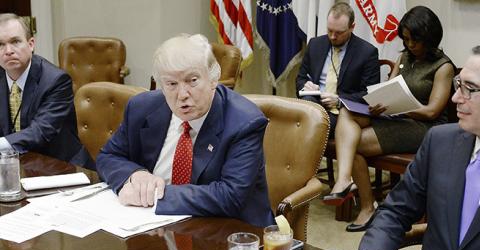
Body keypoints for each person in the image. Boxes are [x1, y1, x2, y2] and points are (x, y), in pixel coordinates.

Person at [96, 33, 275, 227]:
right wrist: (135, 175)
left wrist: (156, 194)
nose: (182, 95)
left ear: (213, 78)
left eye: (192, 81)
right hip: (152, 228)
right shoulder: (141, 108)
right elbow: (108, 156)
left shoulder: (244, 122)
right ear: (160, 85)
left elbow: (230, 196)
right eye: (171, 84)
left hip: (229, 233)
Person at [324, 6, 455, 232]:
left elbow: (433, 111)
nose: (410, 45)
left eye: (415, 40)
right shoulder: (404, 56)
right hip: (395, 117)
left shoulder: (443, 67)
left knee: (350, 144)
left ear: (429, 37)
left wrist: (399, 110)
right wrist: (377, 103)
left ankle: (367, 206)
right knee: (347, 112)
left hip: (424, 126)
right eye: (406, 39)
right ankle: (345, 180)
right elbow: (387, 89)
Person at [357, 45, 480, 250]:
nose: (455, 98)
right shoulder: (440, 141)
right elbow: (396, 210)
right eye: (459, 85)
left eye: (469, 89)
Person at [0, 13, 93, 168]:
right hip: (16, 166)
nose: (8, 50)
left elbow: (40, 132)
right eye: (0, 44)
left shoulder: (56, 80)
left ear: (31, 44)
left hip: (60, 167)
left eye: (15, 41)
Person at [296, 2, 380, 138]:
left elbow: (369, 94)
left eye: (339, 33)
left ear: (352, 27)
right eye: (329, 30)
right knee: (304, 111)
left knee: (309, 125)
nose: (333, 36)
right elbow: (300, 78)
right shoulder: (315, 44)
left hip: (342, 113)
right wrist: (305, 85)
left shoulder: (367, 52)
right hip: (314, 104)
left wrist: (340, 100)